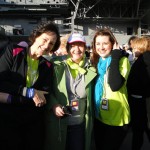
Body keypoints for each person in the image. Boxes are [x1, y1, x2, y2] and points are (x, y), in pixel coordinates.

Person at [0, 21, 60, 150]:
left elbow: (44, 96)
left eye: (51, 43)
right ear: (36, 36)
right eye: (44, 40)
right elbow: (1, 82)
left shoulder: (48, 66)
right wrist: (27, 92)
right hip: (8, 120)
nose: (46, 45)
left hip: (33, 123)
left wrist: (18, 94)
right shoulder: (14, 51)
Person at [44, 32, 97, 150]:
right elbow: (46, 88)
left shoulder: (92, 68)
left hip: (79, 124)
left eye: (80, 45)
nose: (77, 49)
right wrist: (53, 104)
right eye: (73, 45)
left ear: (85, 48)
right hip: (58, 122)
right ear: (67, 47)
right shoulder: (56, 64)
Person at [90, 28, 131, 150]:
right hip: (99, 116)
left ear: (113, 44)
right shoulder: (95, 62)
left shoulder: (122, 61)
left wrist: (115, 55)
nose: (101, 47)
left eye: (105, 43)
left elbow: (114, 85)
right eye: (98, 43)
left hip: (116, 119)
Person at [127, 36, 150, 150]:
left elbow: (133, 83)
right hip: (144, 102)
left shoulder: (141, 62)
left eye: (135, 48)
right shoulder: (142, 60)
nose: (133, 50)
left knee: (138, 134)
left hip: (140, 103)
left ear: (141, 48)